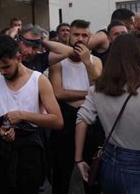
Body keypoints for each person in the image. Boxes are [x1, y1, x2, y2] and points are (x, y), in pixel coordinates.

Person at [75, 33, 140, 194]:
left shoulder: (98, 89)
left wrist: (79, 158)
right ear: (137, 56)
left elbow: (82, 120)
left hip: (109, 163)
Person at [0, 35, 63, 194]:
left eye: (6, 67)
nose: (2, 72)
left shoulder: (38, 80)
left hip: (29, 148)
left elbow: (57, 120)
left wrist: (23, 115)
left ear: (18, 58)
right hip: (1, 145)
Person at [48, 20, 102, 194]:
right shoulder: (58, 60)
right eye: (76, 34)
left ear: (89, 38)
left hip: (91, 121)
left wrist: (87, 63)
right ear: (68, 36)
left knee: (92, 175)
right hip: (66, 118)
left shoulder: (96, 61)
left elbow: (100, 90)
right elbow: (58, 93)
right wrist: (88, 93)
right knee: (61, 174)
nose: (80, 39)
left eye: (84, 35)